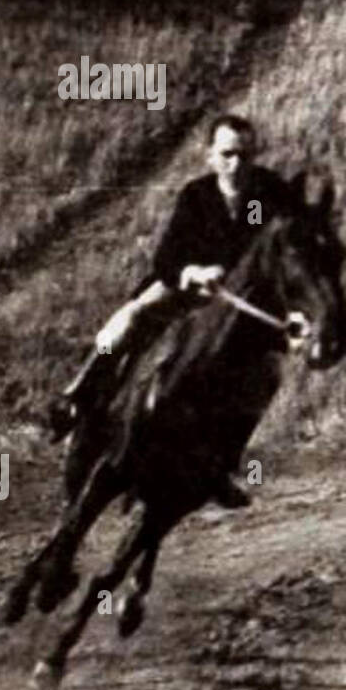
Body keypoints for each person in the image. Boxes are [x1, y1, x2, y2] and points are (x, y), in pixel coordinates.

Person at [49, 115, 298, 507]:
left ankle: (223, 465)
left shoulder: (271, 192)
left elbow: (294, 251)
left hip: (242, 305)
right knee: (131, 318)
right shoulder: (195, 195)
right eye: (228, 155)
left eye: (246, 155)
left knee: (269, 372)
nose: (238, 165)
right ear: (211, 157)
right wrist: (194, 272)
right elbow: (166, 257)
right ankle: (78, 391)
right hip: (189, 289)